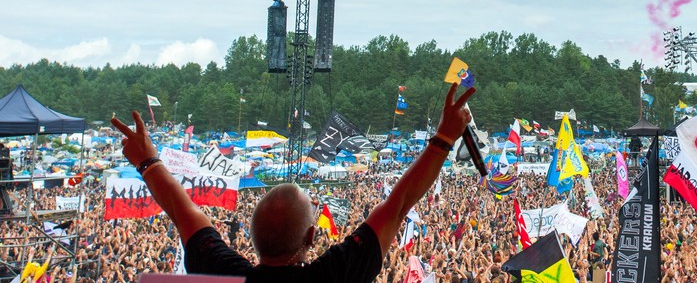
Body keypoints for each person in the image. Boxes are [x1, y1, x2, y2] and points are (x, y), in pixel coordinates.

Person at [111, 83, 474, 282]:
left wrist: (148, 161)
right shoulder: (334, 276)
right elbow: (398, 204)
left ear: (252, 240)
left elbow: (183, 212)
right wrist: (444, 137)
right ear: (312, 238)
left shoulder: (224, 273)